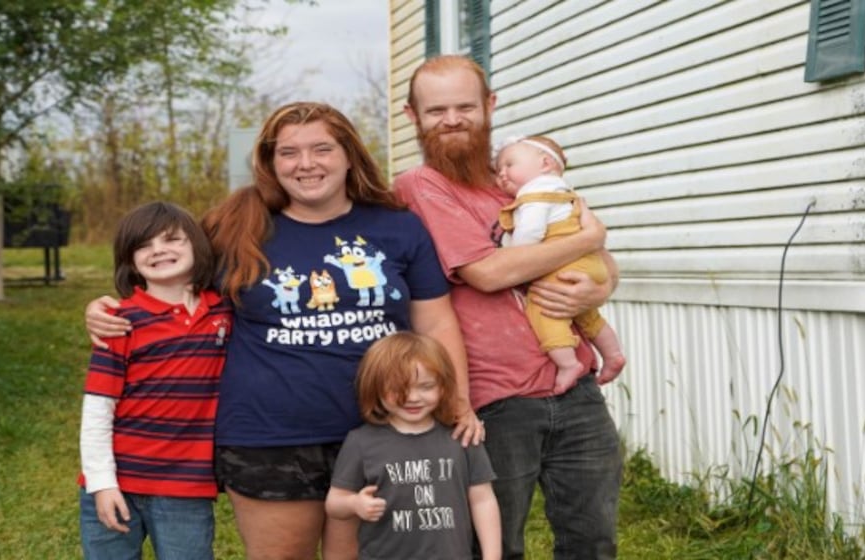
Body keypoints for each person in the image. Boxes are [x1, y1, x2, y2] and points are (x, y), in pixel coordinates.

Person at [84, 102, 484, 559]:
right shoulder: (236, 229)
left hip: (381, 428)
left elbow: (434, 320)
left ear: (350, 155)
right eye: (289, 153)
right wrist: (102, 307)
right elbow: (166, 279)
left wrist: (457, 400)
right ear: (271, 164)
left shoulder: (396, 226)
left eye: (322, 149)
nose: (307, 164)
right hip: (268, 436)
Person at [394, 54, 623, 559]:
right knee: (494, 546)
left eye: (464, 107)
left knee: (593, 540)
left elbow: (595, 259)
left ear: (489, 106)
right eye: (436, 111)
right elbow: (487, 272)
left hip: (577, 390)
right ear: (413, 117)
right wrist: (594, 234)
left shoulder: (524, 179)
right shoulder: (422, 186)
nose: (451, 119)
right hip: (494, 401)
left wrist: (600, 284)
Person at [78, 201, 232, 560]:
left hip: (186, 486)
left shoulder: (225, 312)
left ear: (197, 244)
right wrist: (102, 484)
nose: (159, 250)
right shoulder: (119, 321)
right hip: (117, 484)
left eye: (173, 240)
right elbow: (99, 408)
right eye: (144, 246)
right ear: (129, 261)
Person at [326, 332, 501, 560]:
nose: (413, 397)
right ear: (375, 387)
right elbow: (334, 503)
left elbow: (483, 500)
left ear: (443, 386)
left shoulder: (461, 435)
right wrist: (354, 503)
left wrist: (492, 556)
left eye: (426, 386)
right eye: (399, 388)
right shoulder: (361, 442)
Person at [494, 134, 626, 393]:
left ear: (544, 163)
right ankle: (613, 355)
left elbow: (530, 234)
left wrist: (510, 252)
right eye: (498, 169)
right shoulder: (564, 192)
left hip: (563, 268)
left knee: (544, 311)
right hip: (588, 264)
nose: (502, 174)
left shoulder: (535, 193)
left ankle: (568, 364)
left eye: (509, 164)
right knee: (587, 316)